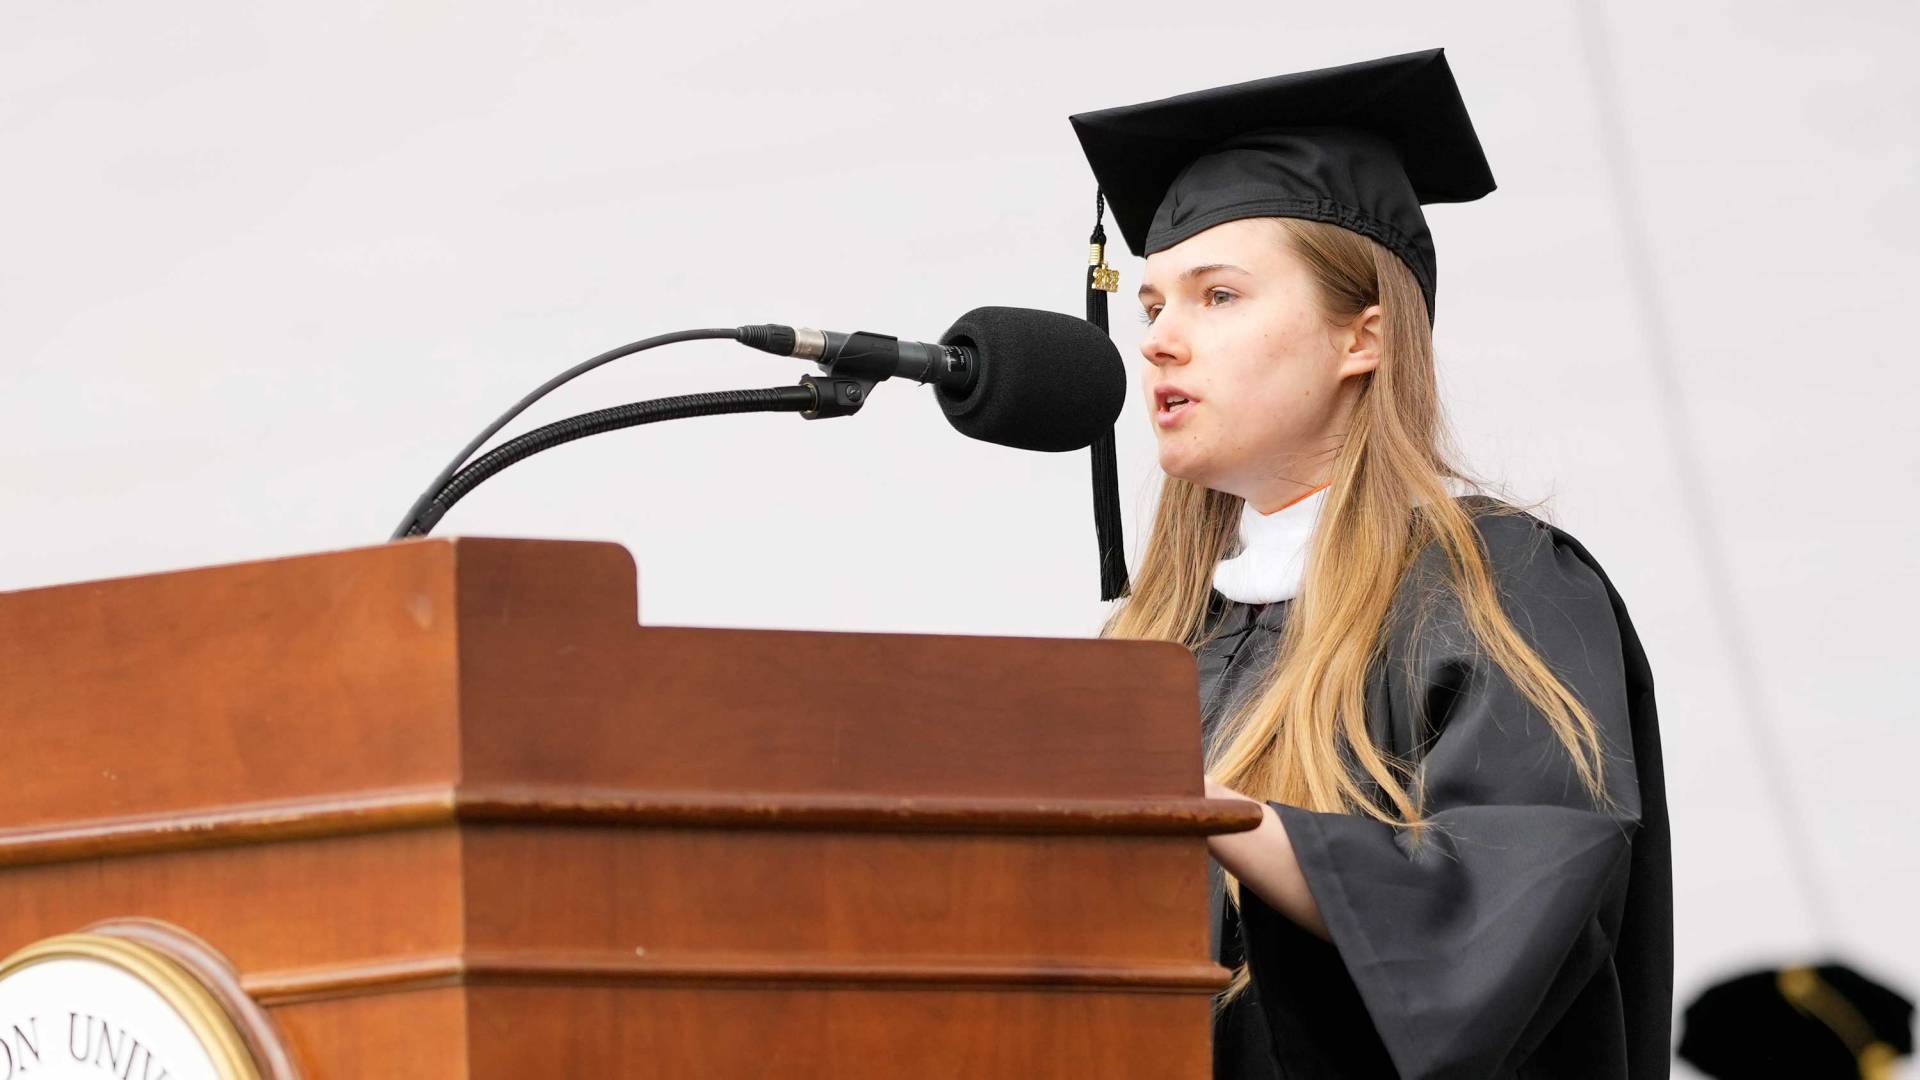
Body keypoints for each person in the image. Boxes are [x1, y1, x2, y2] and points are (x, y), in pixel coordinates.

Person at [1072, 50, 1673, 1078]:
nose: (1162, 342)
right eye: (1153, 307)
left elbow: (1506, 904)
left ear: (1366, 336)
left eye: (1218, 297)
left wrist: (1209, 810)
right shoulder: (1159, 642)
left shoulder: (1496, 585)